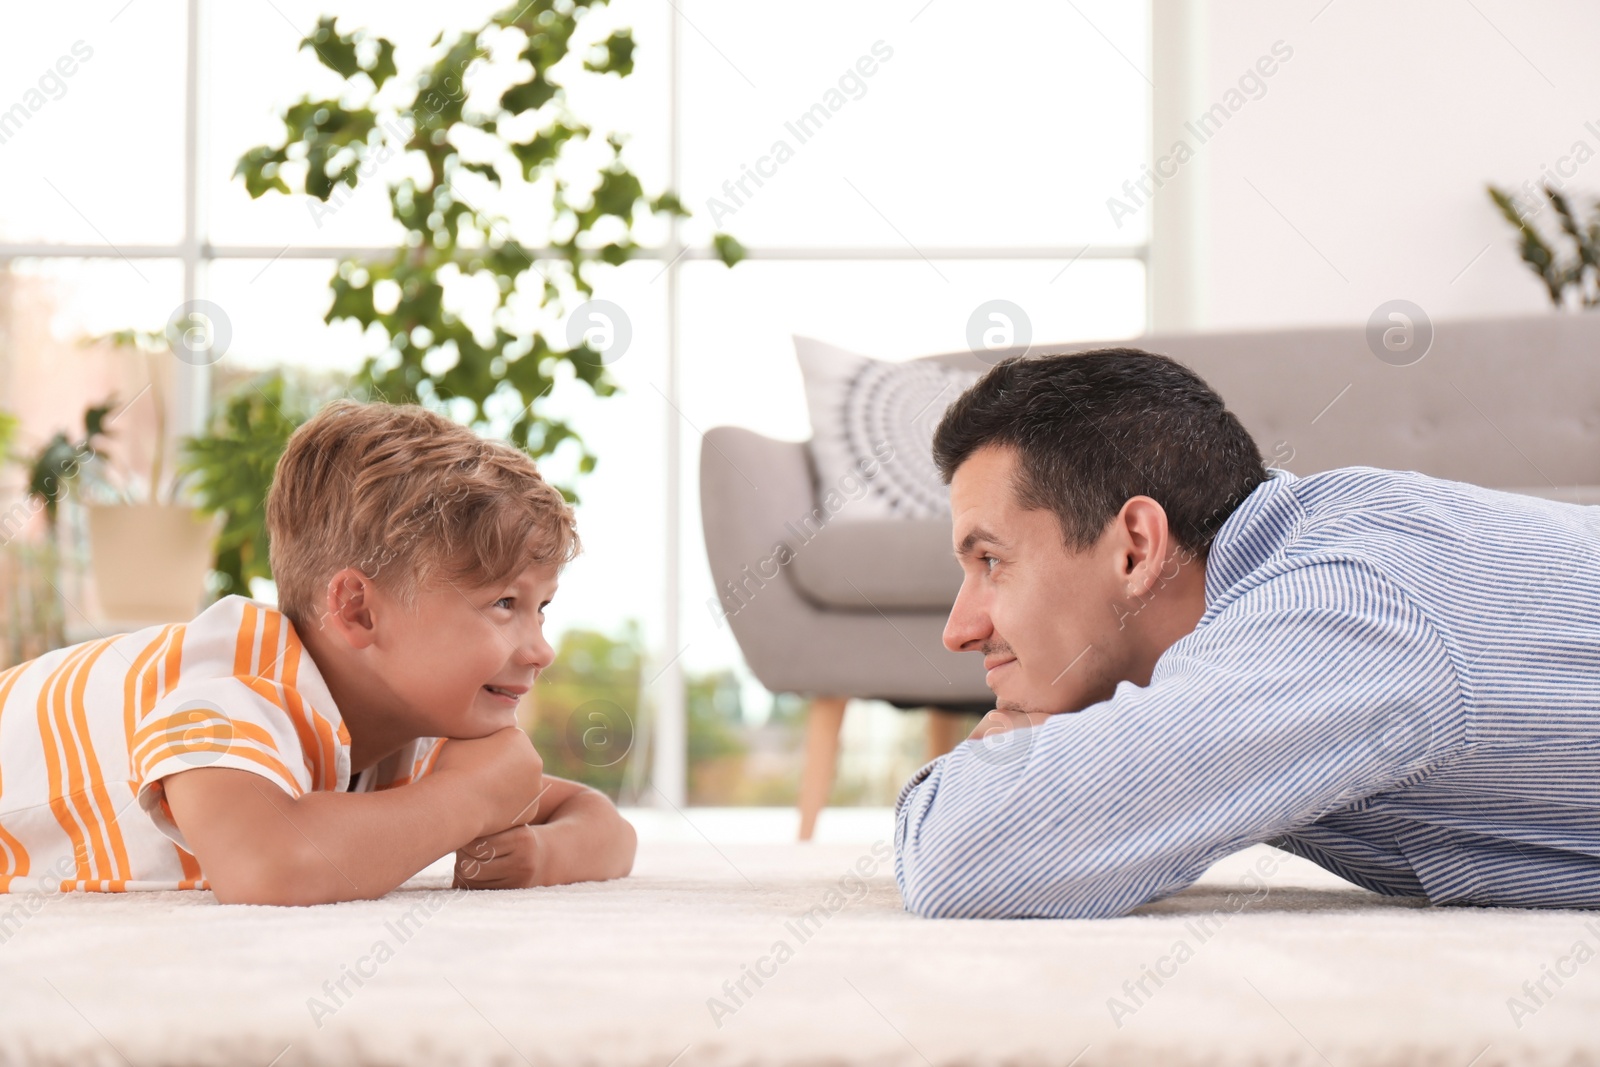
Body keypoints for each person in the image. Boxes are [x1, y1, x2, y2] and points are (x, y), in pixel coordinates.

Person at [894, 347, 1600, 918]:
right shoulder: (1324, 548)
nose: (961, 630)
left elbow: (961, 854)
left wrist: (1022, 755)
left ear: (1136, 547)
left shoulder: (1339, 611)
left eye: (992, 561)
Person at [0, 400, 635, 904]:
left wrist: (544, 855)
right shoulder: (233, 690)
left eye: (541, 607)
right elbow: (268, 867)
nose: (542, 650)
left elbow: (602, 822)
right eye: (503, 605)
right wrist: (467, 802)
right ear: (358, 610)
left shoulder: (407, 725)